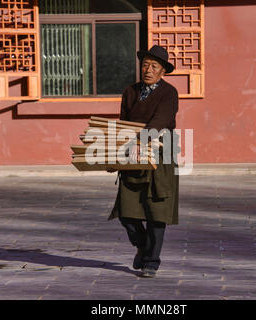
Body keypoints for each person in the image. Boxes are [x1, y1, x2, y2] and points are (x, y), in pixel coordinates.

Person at [108, 45, 179, 278]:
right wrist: (115, 152)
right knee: (127, 212)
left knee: (157, 211)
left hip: (161, 153)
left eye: (154, 66)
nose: (148, 70)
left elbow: (161, 119)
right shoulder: (130, 91)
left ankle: (151, 261)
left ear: (162, 71)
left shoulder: (169, 93)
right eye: (145, 65)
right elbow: (123, 122)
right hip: (133, 152)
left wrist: (143, 140)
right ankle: (141, 245)